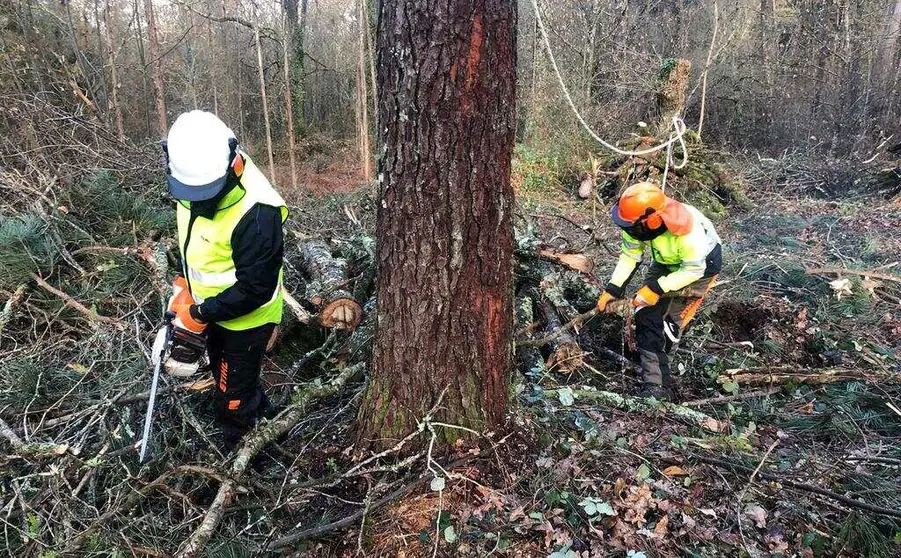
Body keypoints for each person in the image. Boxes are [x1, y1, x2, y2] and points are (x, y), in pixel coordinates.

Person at [162, 110, 288, 445]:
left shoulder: (258, 214)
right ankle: (267, 421)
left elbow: (255, 288)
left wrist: (200, 313)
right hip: (217, 307)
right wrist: (188, 282)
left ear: (232, 162)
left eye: (209, 192)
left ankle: (248, 457)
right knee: (229, 375)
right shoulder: (191, 177)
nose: (201, 201)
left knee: (233, 397)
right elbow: (200, 241)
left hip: (247, 319)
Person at [597, 181, 721, 400]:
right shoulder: (636, 224)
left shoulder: (688, 233)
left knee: (669, 326)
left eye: (631, 228)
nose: (628, 232)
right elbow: (630, 256)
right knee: (646, 313)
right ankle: (653, 372)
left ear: (652, 222)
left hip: (700, 269)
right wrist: (613, 289)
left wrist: (656, 288)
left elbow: (693, 269)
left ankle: (660, 387)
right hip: (666, 262)